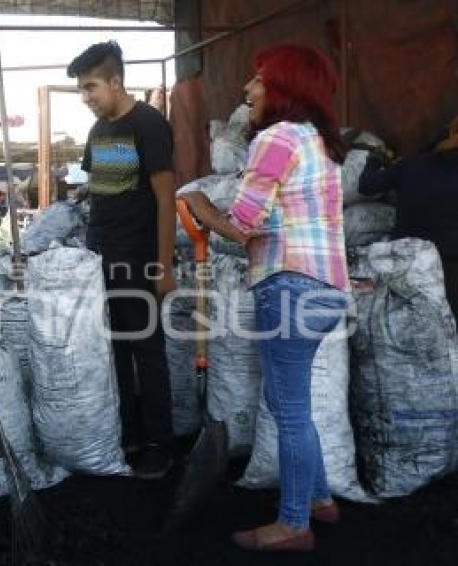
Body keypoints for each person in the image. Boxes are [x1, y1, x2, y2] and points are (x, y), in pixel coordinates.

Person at [180, 44, 349, 552]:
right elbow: (280, 217)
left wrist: (197, 205)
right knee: (288, 401)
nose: (247, 89)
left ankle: (294, 524)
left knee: (290, 409)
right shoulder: (318, 142)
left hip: (290, 287)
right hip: (325, 289)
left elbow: (243, 226)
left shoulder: (276, 138)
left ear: (283, 88)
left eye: (258, 80)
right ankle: (319, 498)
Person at [67, 41, 177, 480]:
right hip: (102, 259)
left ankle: (160, 446)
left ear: (115, 81)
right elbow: (99, 194)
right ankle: (128, 432)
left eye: (91, 87)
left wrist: (164, 266)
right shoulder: (98, 133)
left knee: (147, 352)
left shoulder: (148, 125)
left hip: (140, 258)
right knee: (114, 350)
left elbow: (166, 199)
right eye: (82, 90)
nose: (87, 98)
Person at [358, 115, 458, 319]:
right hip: (451, 266)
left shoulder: (413, 164)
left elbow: (367, 185)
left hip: (408, 266)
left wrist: (374, 160)